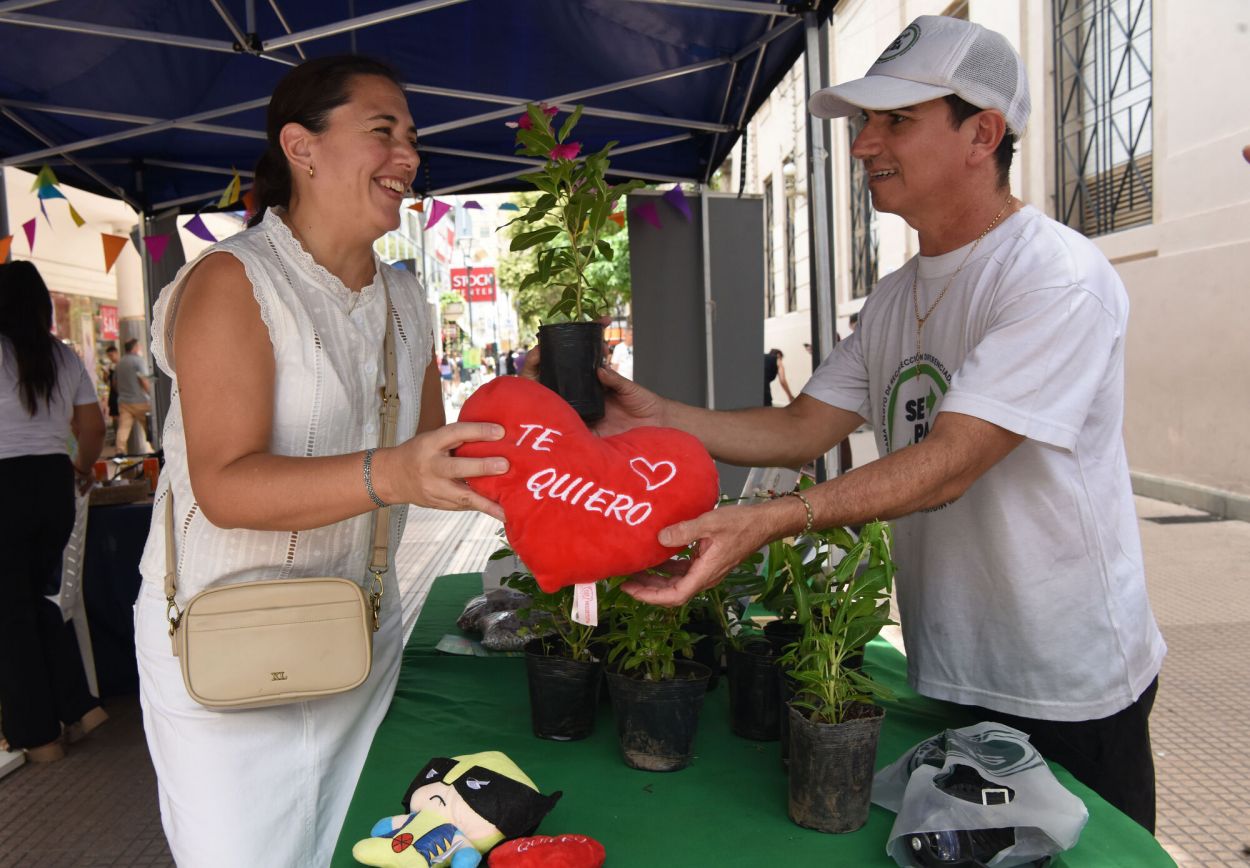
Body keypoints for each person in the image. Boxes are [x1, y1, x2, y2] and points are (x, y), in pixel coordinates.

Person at [596, 16, 1164, 832]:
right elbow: (802, 429)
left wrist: (773, 519)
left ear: (983, 134)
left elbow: (953, 462)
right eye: (866, 122)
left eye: (896, 120)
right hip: (948, 667)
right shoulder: (896, 296)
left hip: (1064, 682)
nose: (864, 144)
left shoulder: (1055, 277)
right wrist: (657, 417)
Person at [132, 55, 509, 866]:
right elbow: (226, 486)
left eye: (411, 138)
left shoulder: (407, 298)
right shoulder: (234, 282)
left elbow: (439, 458)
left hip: (356, 640)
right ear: (300, 147)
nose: (408, 156)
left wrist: (550, 425)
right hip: (227, 651)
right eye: (383, 131)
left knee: (357, 849)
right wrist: (392, 474)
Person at [0, 261, 109, 763]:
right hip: (52, 484)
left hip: (5, 484)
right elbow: (92, 428)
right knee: (35, 600)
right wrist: (83, 469)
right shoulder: (63, 356)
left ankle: (39, 738)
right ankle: (81, 706)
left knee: (11, 616)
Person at [114, 337, 152, 453]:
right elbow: (144, 380)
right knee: (149, 427)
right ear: (135, 347)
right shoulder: (138, 361)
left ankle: (120, 452)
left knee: (123, 429)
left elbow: (114, 383)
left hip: (124, 402)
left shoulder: (120, 363)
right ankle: (156, 448)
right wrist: (150, 394)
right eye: (139, 346)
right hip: (140, 401)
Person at [103, 343, 120, 439]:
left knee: (119, 417)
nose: (110, 358)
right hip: (113, 394)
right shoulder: (109, 367)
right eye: (109, 356)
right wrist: (105, 374)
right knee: (114, 416)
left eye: (111, 355)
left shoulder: (121, 364)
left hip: (120, 393)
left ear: (116, 353)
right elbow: (106, 381)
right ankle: (116, 436)